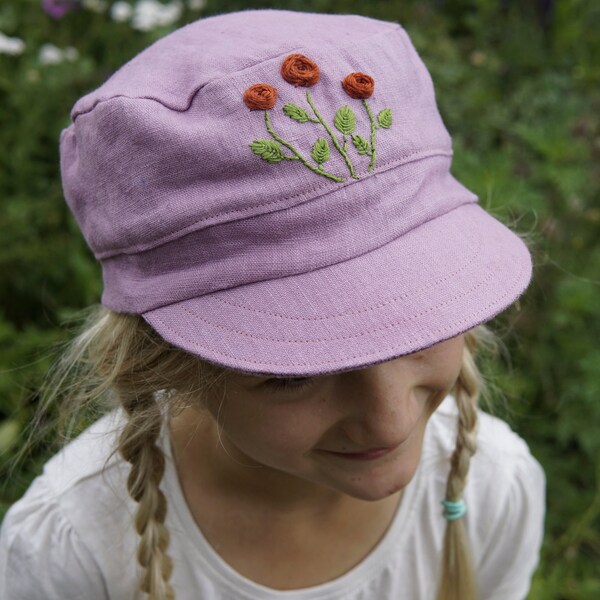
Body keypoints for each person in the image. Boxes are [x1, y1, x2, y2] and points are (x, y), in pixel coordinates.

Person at [0, 9, 545, 600]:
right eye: (294, 374)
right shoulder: (72, 552)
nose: (389, 419)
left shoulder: (493, 488)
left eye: (417, 323)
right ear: (164, 365)